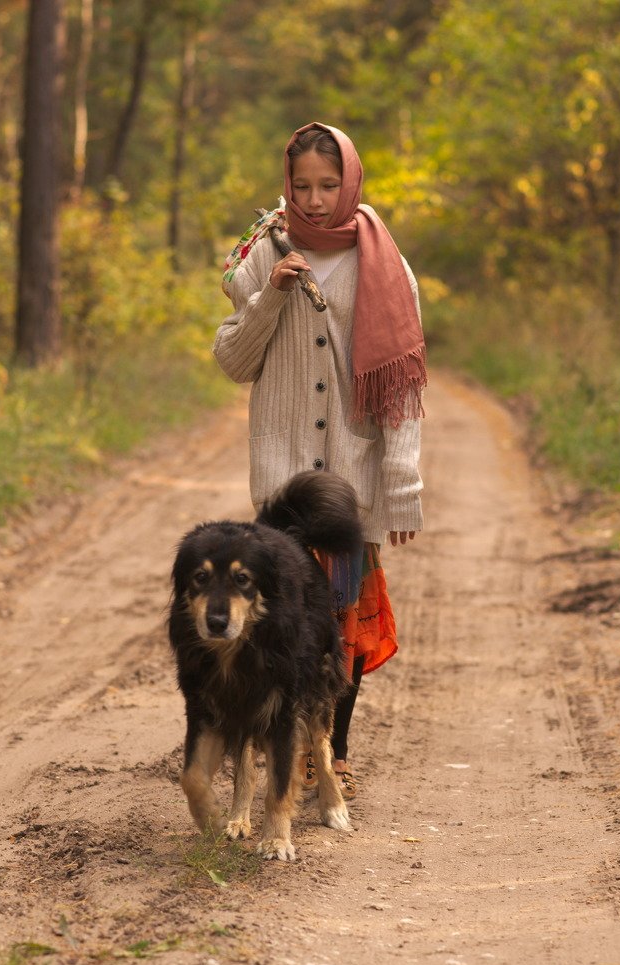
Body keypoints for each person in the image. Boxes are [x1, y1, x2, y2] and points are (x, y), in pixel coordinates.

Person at [213, 122, 426, 800]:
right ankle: (281, 741)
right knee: (277, 622)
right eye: (301, 185)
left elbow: (401, 385)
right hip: (282, 484)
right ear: (287, 182)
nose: (313, 200)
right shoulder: (263, 253)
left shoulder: (382, 261)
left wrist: (402, 484)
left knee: (342, 623)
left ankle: (333, 752)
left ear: (350, 183)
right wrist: (271, 294)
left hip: (349, 480)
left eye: (328, 185)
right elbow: (233, 360)